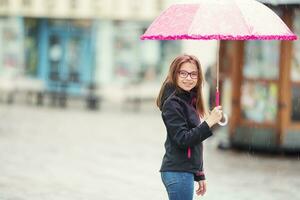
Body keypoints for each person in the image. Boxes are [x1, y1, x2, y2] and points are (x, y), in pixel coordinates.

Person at [156, 54, 223, 200]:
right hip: (177, 171)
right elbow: (183, 139)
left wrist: (199, 173)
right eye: (183, 73)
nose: (188, 78)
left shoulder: (189, 100)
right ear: (175, 74)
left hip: (185, 171)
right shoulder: (173, 104)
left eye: (193, 74)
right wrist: (209, 122)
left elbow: (194, 144)